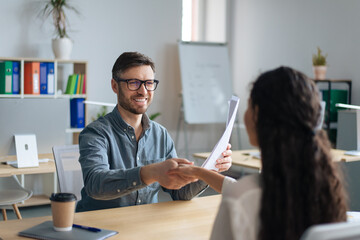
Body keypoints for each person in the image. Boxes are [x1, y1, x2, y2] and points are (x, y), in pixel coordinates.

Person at [168, 66, 348, 240]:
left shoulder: (241, 200)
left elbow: (244, 193)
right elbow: (238, 187)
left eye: (248, 105)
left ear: (257, 115)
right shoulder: (327, 186)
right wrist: (199, 172)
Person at [76, 52, 232, 212]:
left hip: (144, 225)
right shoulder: (95, 133)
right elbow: (95, 184)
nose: (143, 91)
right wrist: (149, 173)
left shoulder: (161, 135)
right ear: (115, 86)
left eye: (149, 83)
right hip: (99, 227)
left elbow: (180, 193)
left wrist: (211, 169)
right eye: (134, 83)